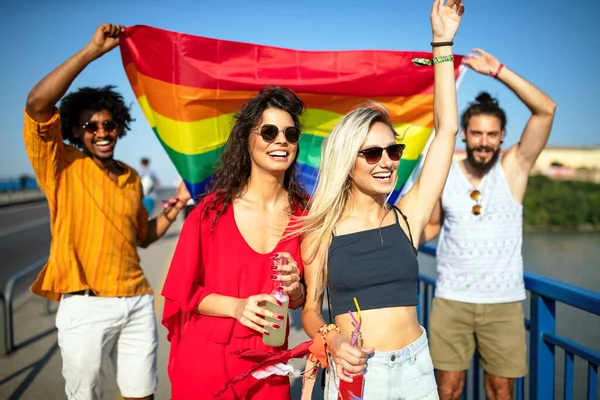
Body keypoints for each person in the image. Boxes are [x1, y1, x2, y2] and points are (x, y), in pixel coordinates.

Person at [298, 1, 465, 399]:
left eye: (393, 151)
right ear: (347, 162)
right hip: (358, 376)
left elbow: (447, 131)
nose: (387, 161)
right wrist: (332, 339)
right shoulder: (322, 230)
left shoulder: (409, 216)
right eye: (372, 153)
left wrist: (442, 42)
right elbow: (309, 309)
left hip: (417, 369)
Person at [23, 24, 191, 400]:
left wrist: (178, 201)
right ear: (75, 131)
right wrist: (92, 51)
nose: (101, 132)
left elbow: (143, 237)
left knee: (143, 394)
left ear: (118, 127)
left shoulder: (131, 177)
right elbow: (36, 103)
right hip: (85, 307)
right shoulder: (61, 164)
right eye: (90, 126)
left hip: (136, 301)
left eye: (108, 124)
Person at [423, 49, 556, 399]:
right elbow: (432, 225)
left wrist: (498, 71)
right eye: (477, 134)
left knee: (500, 391)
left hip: (504, 302)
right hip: (451, 299)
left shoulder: (514, 167)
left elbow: (546, 109)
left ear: (502, 136)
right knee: (448, 389)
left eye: (492, 134)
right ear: (464, 133)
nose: (484, 142)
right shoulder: (447, 171)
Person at [161, 85, 309, 399]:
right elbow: (181, 292)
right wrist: (236, 306)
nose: (281, 140)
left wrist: (296, 289)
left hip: (269, 367)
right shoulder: (209, 212)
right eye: (269, 131)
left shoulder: (305, 215)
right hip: (206, 365)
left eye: (290, 133)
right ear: (247, 139)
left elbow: (301, 300)